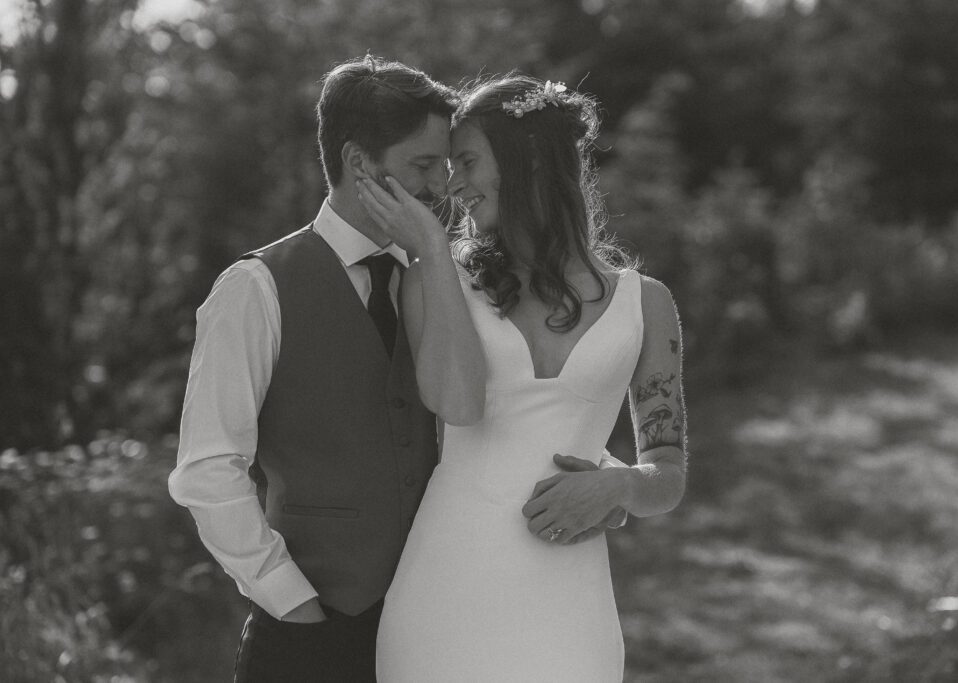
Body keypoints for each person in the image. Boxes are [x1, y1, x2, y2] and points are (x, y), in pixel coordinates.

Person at [167, 56, 621, 682]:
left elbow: (512, 411)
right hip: (309, 629)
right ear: (359, 163)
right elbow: (208, 469)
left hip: (438, 618)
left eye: (448, 164)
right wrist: (291, 603)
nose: (443, 186)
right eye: (423, 165)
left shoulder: (440, 282)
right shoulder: (256, 288)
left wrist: (607, 480)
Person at [359, 75, 689, 682]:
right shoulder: (434, 280)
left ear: (529, 160)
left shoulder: (647, 304)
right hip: (446, 588)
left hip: (568, 596)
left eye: (467, 161)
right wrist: (432, 255)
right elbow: (452, 403)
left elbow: (667, 470)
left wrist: (618, 488)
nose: (452, 185)